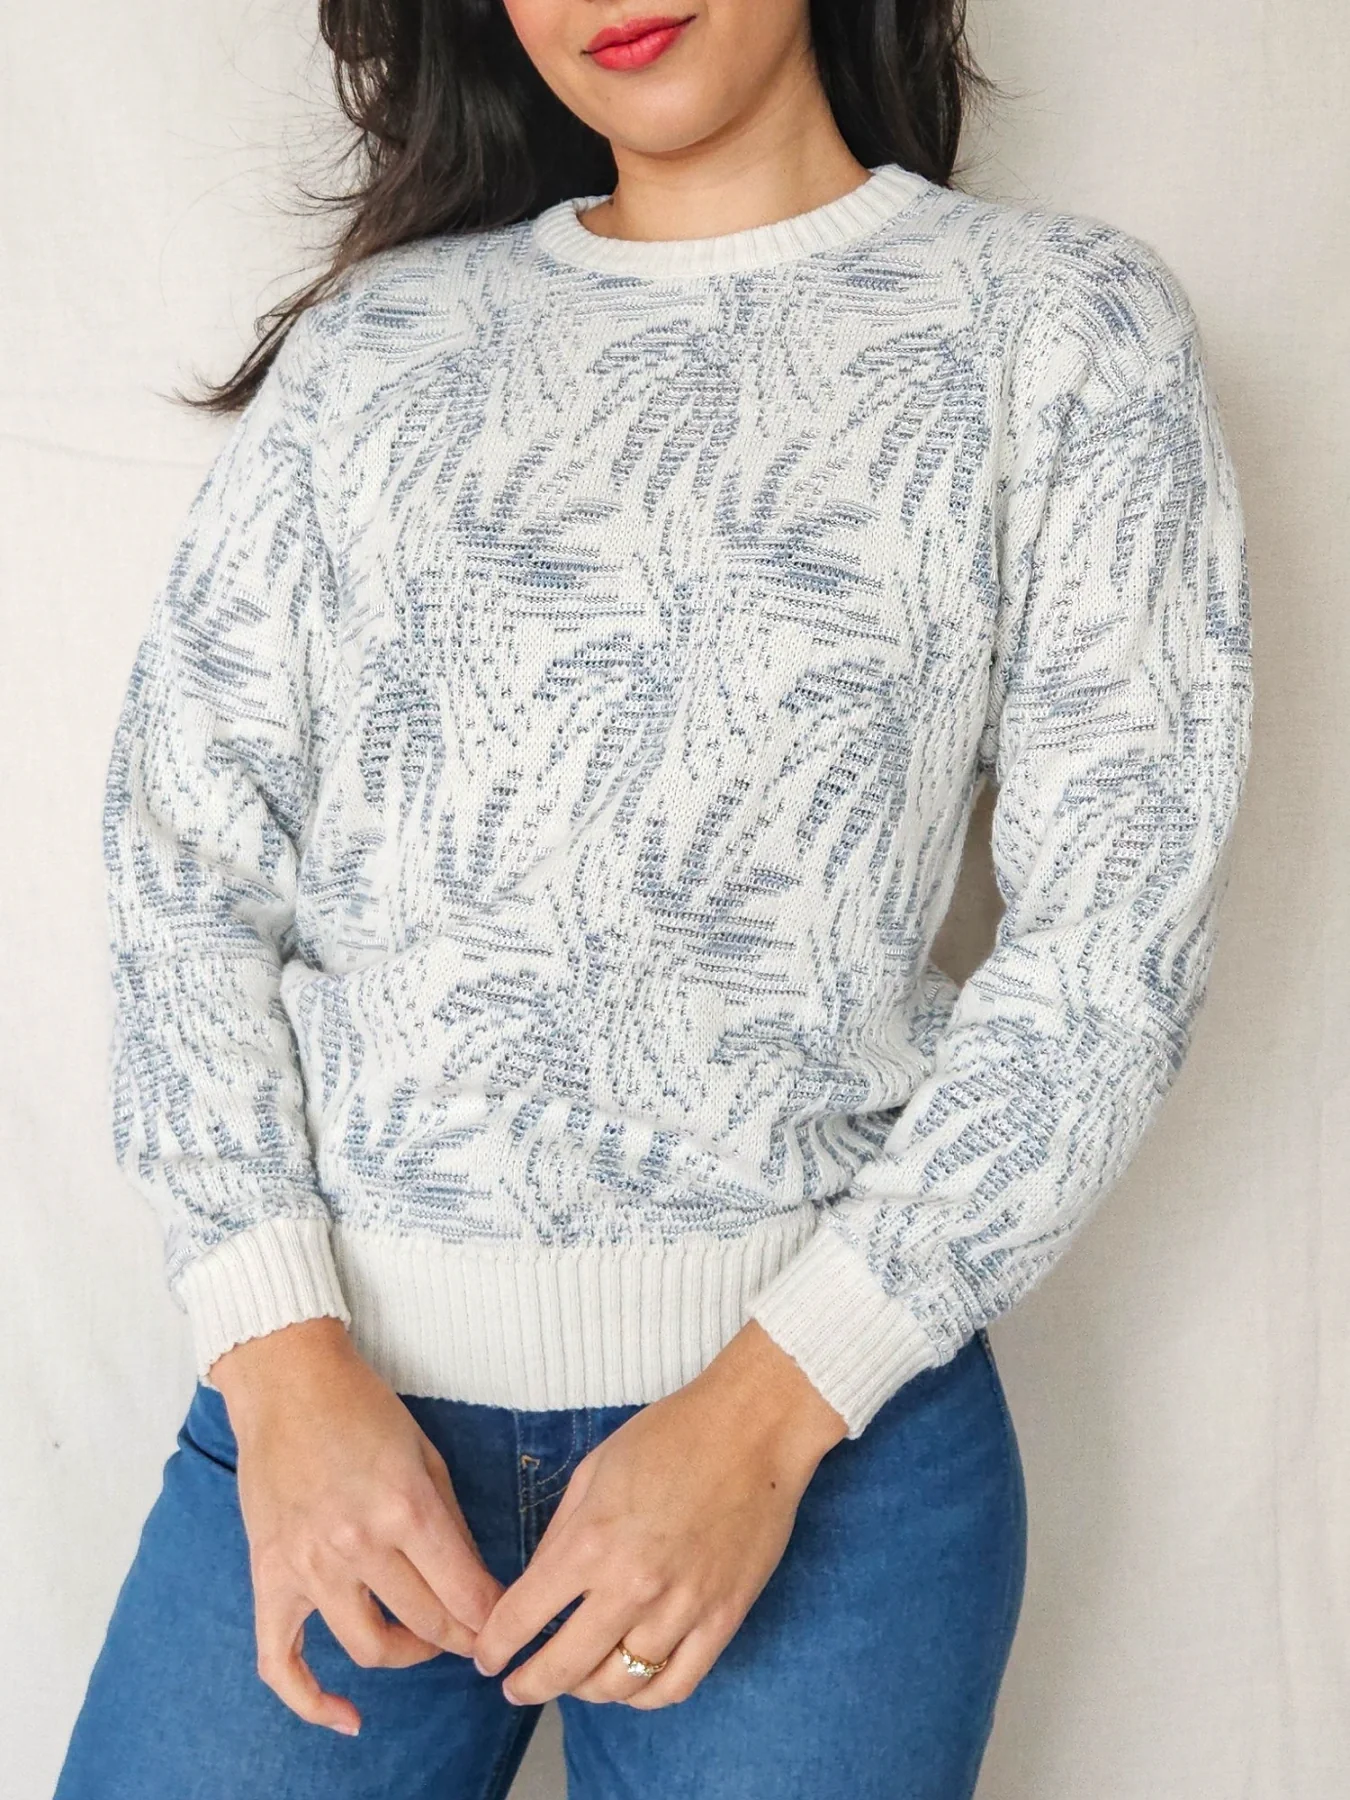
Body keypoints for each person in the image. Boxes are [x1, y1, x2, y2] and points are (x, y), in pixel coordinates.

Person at [54, 1, 1254, 1796]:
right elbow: (184, 866)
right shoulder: (381, 344)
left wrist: (771, 1412)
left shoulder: (1056, 327)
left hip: (821, 1452)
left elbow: (1112, 942)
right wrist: (283, 1362)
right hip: (326, 1426)